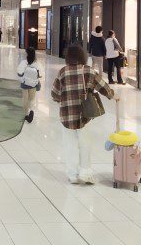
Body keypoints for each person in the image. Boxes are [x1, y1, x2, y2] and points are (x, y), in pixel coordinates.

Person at [52, 45, 115, 184]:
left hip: (67, 114)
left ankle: (72, 175)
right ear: (83, 57)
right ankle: (85, 174)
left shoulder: (63, 72)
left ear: (68, 57)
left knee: (70, 145)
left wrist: (61, 99)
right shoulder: (88, 71)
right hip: (84, 115)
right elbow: (103, 86)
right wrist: (112, 96)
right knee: (85, 144)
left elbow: (55, 93)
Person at [17, 47, 40, 123]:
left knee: (25, 99)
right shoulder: (36, 63)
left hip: (25, 84)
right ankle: (32, 110)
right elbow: (40, 75)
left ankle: (26, 115)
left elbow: (19, 72)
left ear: (27, 54)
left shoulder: (24, 62)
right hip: (33, 84)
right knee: (32, 99)